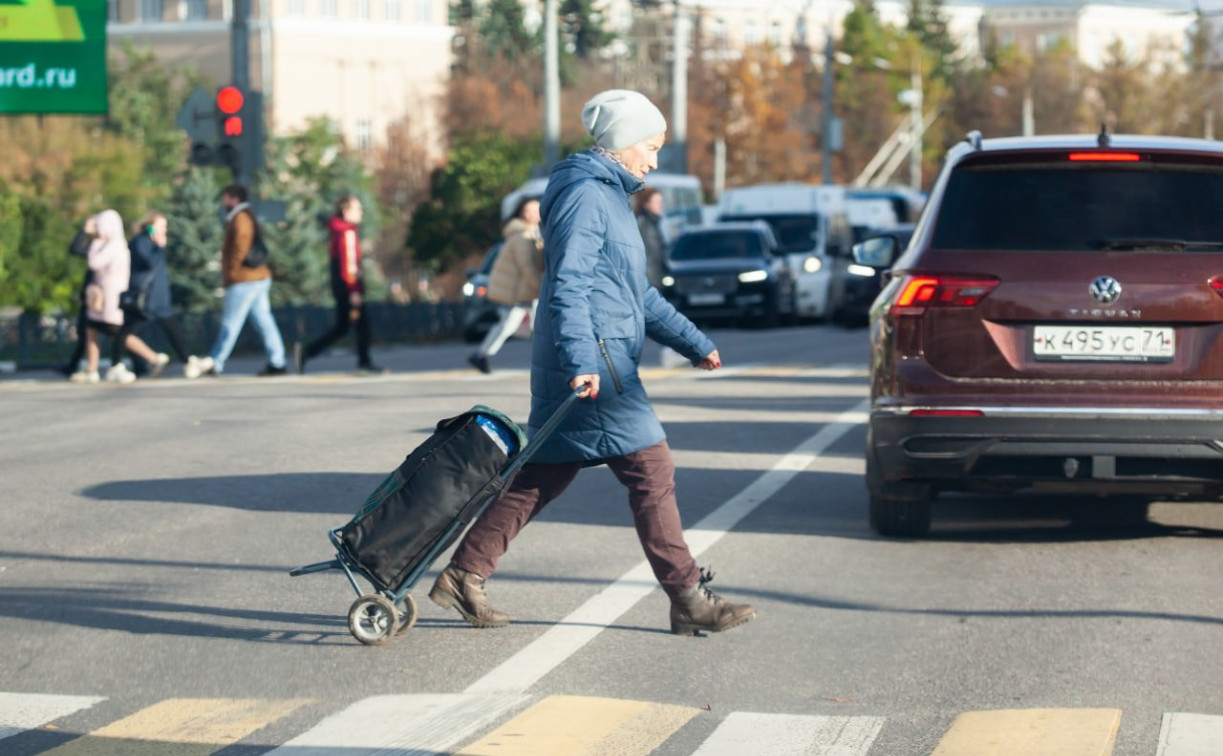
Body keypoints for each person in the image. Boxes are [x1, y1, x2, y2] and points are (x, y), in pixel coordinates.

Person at [430, 89, 756, 636]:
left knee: (541, 477)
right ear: (624, 143)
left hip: (594, 357)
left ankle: (464, 574)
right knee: (652, 471)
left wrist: (693, 341)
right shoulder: (586, 195)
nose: (654, 161)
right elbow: (569, 284)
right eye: (650, 147)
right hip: (595, 364)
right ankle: (687, 596)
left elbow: (635, 292)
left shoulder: (608, 195)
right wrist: (582, 360)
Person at [188, 185, 288, 378]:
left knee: (230, 323)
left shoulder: (241, 217)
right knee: (265, 322)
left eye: (225, 198)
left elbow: (241, 246)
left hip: (244, 279)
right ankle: (277, 362)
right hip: (256, 278)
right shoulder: (245, 215)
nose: (223, 202)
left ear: (234, 199)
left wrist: (231, 272)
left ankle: (216, 361)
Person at [68, 210, 168, 384]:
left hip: (111, 297)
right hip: (102, 296)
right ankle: (92, 369)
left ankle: (152, 358)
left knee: (117, 332)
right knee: (92, 329)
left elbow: (94, 263)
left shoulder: (113, 244)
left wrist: (96, 241)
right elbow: (77, 250)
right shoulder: (112, 243)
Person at [299, 195, 384, 374]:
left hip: (340, 286)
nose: (360, 212)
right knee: (363, 326)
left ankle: (307, 353)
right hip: (348, 287)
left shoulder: (338, 231)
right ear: (346, 212)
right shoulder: (347, 233)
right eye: (357, 208)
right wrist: (354, 290)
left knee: (342, 327)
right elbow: (350, 265)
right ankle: (364, 363)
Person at [467, 197, 544, 374]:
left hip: (521, 291)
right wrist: (539, 287)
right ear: (524, 214)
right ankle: (481, 355)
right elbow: (527, 266)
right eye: (532, 210)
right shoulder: (522, 236)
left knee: (522, 324)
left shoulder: (529, 233)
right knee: (511, 324)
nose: (536, 214)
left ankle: (481, 355)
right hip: (516, 292)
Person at [127, 212, 209, 378]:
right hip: (146, 297)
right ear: (151, 226)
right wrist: (158, 245)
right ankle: (137, 364)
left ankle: (186, 361)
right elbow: (149, 262)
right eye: (162, 226)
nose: (165, 229)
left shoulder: (150, 242)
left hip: (159, 297)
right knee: (127, 331)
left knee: (171, 329)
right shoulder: (141, 241)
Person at [635, 187, 667, 289]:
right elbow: (650, 257)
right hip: (650, 282)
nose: (661, 205)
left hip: (653, 280)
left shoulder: (652, 223)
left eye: (661, 202)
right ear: (646, 204)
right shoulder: (645, 225)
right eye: (657, 202)